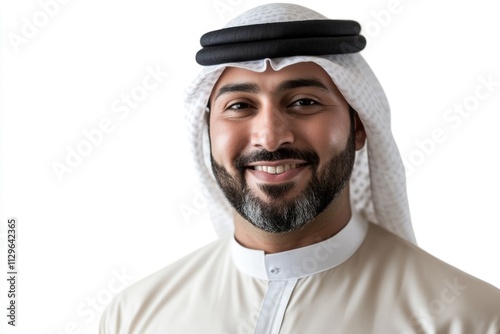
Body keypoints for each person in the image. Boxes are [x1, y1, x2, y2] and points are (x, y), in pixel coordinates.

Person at [99, 3, 500, 333]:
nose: (271, 139)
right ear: (207, 131)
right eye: (240, 106)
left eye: (304, 102)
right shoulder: (134, 317)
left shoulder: (468, 319)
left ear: (358, 126)